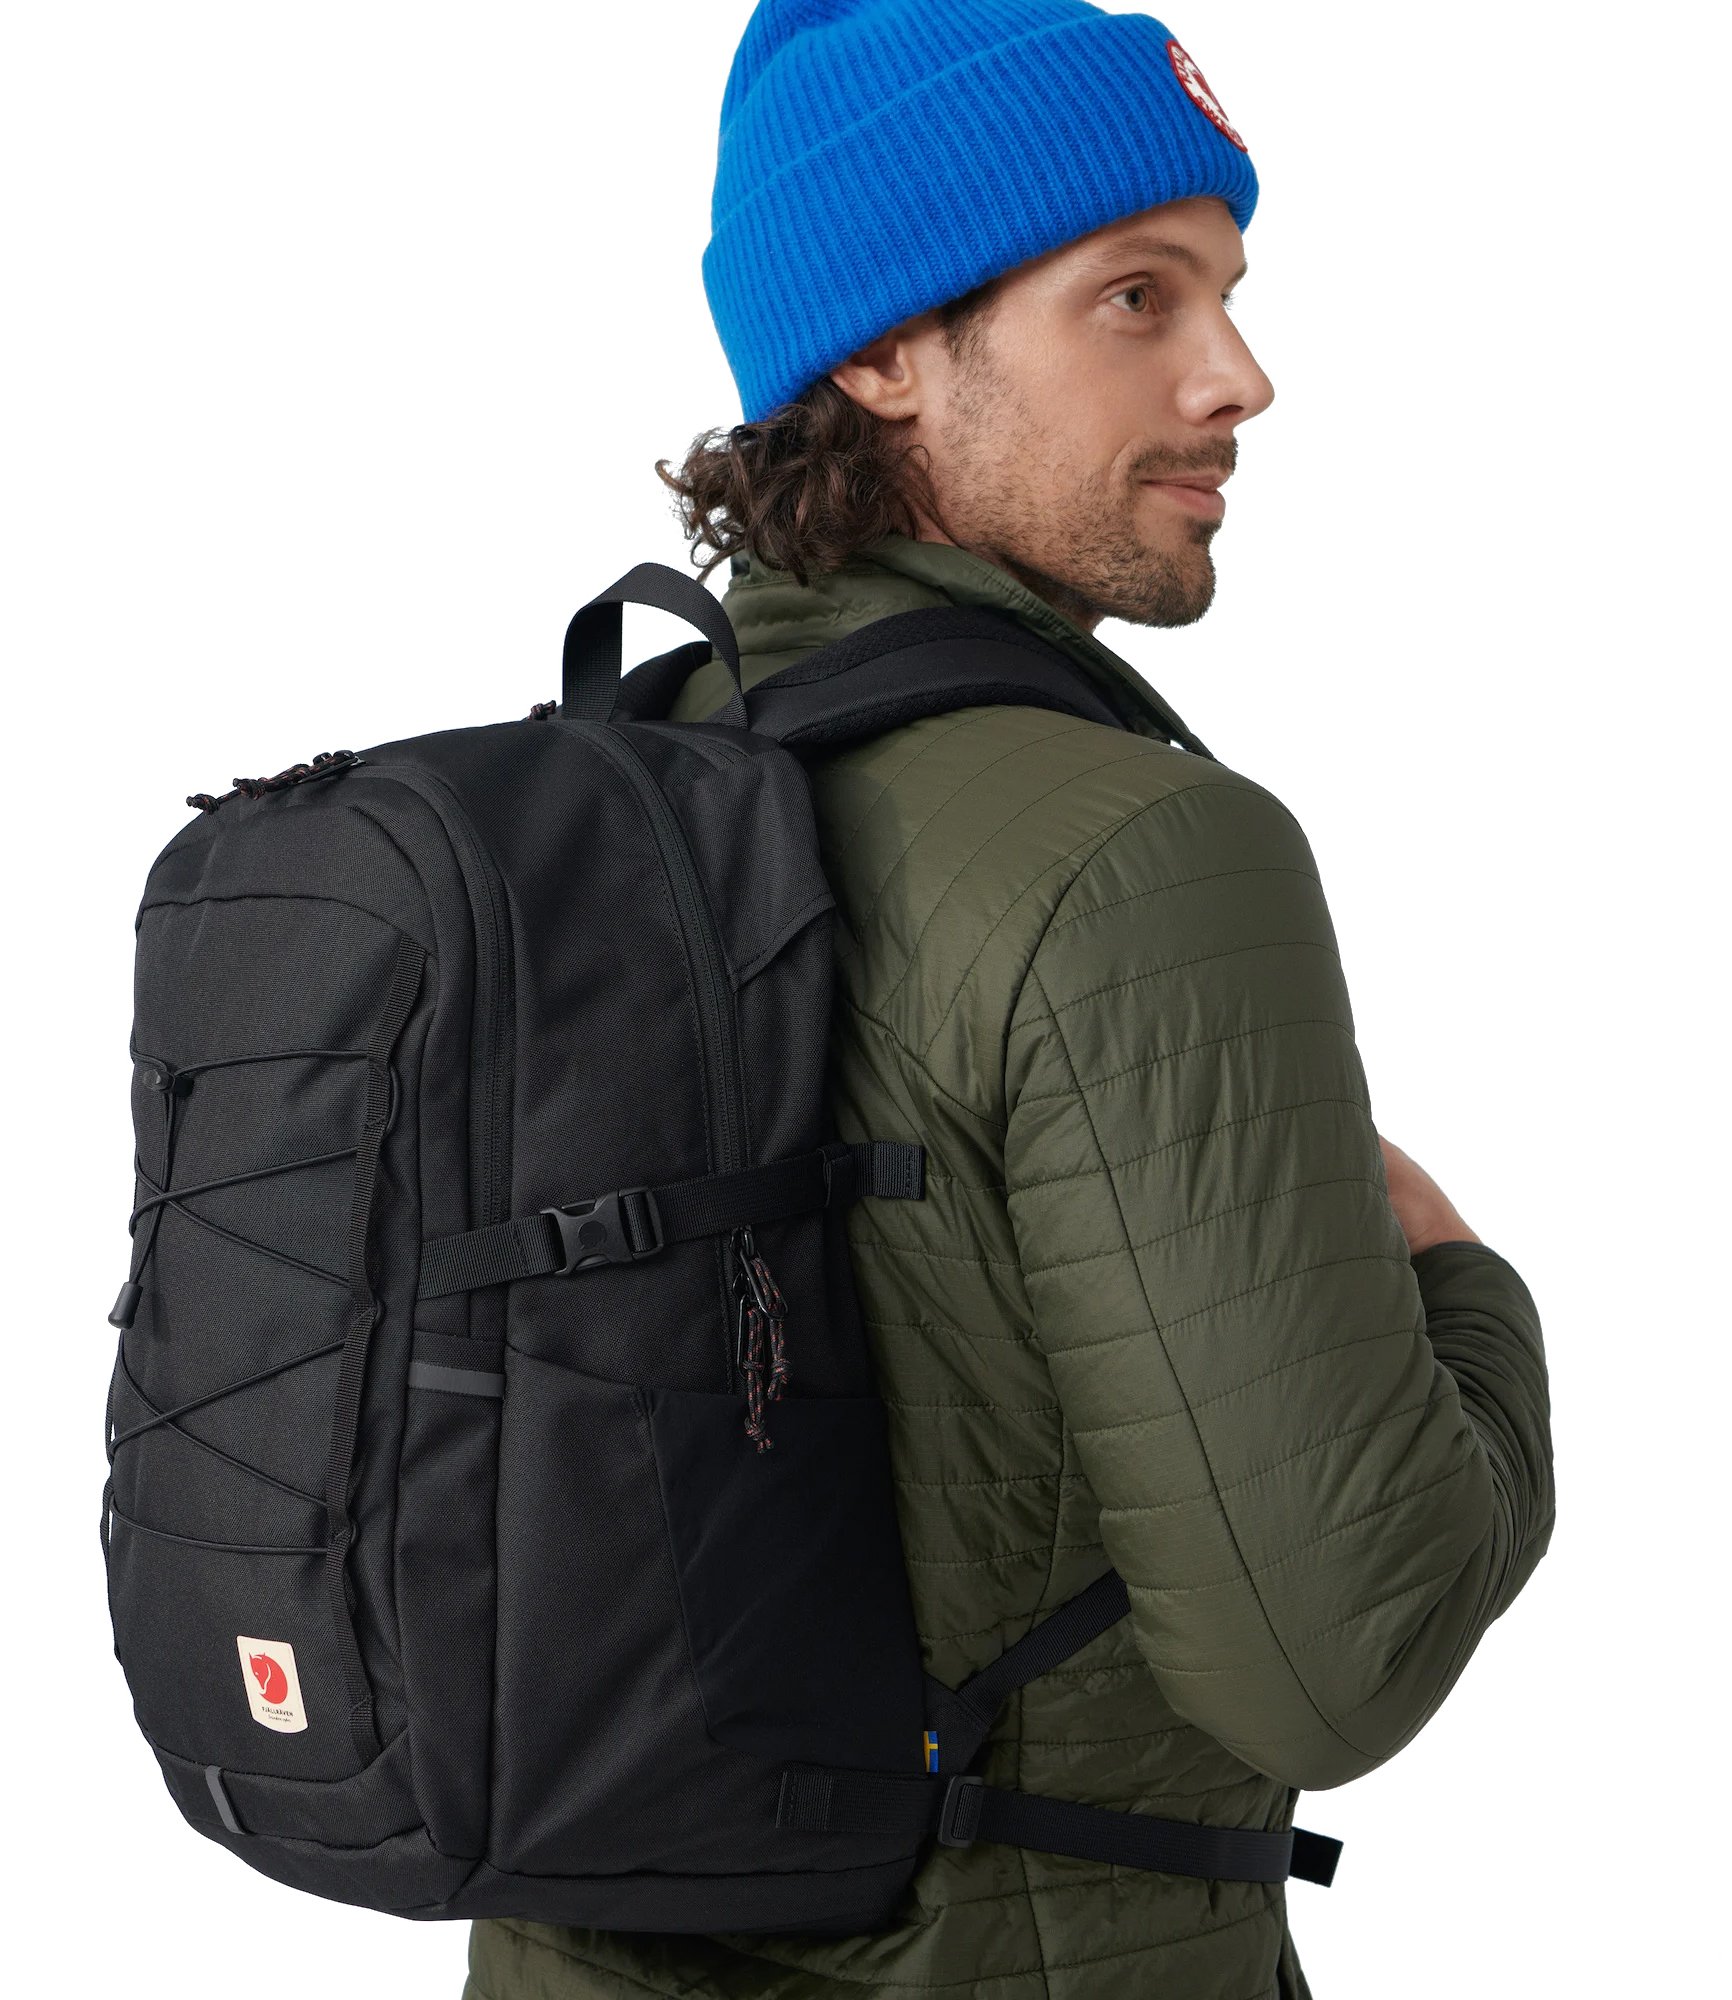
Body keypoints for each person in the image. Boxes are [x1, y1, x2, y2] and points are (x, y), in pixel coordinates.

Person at [467, 3, 1555, 1995]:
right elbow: (1334, 1660)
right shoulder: (1141, 853)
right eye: (1135, 296)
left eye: (1225, 292)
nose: (1237, 377)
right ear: (882, 351)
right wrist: (1466, 1292)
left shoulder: (593, 796)